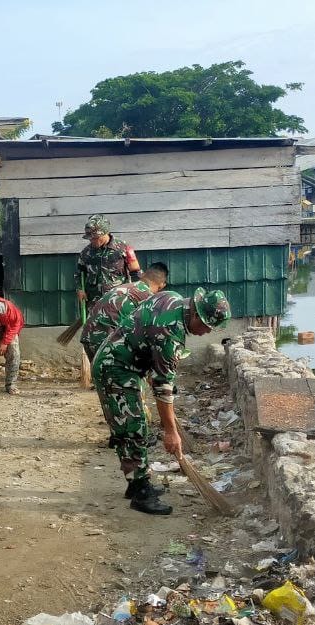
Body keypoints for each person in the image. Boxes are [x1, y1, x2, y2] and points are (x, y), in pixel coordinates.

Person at [92, 286, 231, 516]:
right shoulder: (170, 334)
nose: (206, 332)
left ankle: (135, 483)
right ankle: (140, 492)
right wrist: (171, 431)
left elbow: (145, 332)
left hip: (122, 360)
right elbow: (163, 389)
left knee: (132, 425)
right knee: (133, 427)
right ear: (196, 315)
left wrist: (151, 367)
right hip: (114, 367)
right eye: (207, 326)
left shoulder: (173, 299)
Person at [80, 262, 170, 363]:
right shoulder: (148, 298)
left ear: (143, 275)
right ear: (162, 285)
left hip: (88, 337)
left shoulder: (122, 288)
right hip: (105, 342)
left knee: (101, 372)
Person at [76, 214, 142, 310]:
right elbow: (79, 273)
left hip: (118, 302)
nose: (92, 241)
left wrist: (136, 295)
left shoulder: (123, 248)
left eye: (95, 238)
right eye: (90, 238)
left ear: (104, 233)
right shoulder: (86, 252)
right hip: (94, 303)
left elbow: (136, 272)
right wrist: (80, 289)